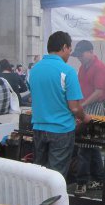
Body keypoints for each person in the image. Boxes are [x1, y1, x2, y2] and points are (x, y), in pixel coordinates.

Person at [29, 31, 90, 179]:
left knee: (40, 174)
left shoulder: (35, 70)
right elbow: (75, 107)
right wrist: (84, 117)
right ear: (64, 47)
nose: (70, 53)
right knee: (55, 177)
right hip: (61, 131)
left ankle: (39, 201)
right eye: (69, 49)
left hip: (38, 128)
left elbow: (35, 98)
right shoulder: (68, 71)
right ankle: (53, 202)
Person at [72, 40, 105, 196]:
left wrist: (82, 105)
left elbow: (99, 92)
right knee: (91, 146)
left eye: (81, 54)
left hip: (94, 109)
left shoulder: (100, 67)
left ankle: (82, 182)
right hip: (84, 106)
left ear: (90, 51)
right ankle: (101, 179)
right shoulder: (82, 67)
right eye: (78, 55)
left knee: (84, 146)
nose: (79, 57)